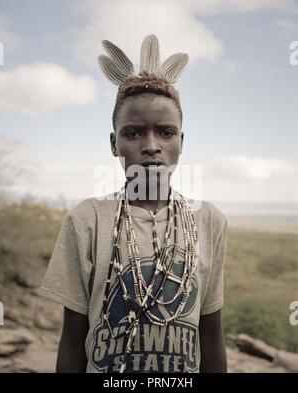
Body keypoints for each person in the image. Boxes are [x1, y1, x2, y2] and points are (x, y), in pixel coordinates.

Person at [38, 34, 228, 373]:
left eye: (166, 132)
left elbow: (211, 337)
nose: (151, 146)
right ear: (114, 143)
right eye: (134, 133)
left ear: (181, 143)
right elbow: (72, 339)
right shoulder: (88, 220)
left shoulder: (209, 220)